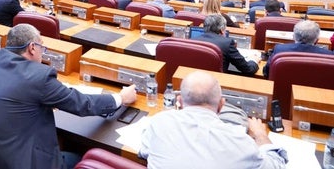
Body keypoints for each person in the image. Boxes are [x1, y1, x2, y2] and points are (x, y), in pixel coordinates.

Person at [0, 23, 137, 169]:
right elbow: (82, 104)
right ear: (32, 47)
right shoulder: (39, 76)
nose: (42, 53)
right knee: (79, 158)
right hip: (26, 162)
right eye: (42, 47)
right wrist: (121, 98)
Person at [139, 71, 288, 169]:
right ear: (222, 105)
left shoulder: (159, 122)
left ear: (179, 101)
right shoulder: (241, 142)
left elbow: (145, 150)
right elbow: (276, 165)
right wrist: (260, 134)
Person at [191, 14, 259, 75]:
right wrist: (254, 60)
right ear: (221, 29)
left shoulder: (192, 41)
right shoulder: (227, 43)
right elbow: (248, 69)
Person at [263, 20, 333, 78]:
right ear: (317, 40)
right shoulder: (330, 56)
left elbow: (267, 72)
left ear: (293, 37)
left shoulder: (279, 50)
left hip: (282, 92)